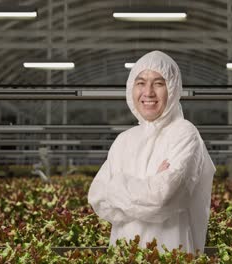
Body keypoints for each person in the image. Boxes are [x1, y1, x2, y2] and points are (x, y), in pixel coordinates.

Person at [88, 50, 215, 254]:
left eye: (158, 83)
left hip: (170, 253)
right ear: (131, 87)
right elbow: (98, 198)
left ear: (172, 88)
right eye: (140, 83)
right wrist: (150, 183)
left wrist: (118, 185)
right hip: (123, 254)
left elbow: (162, 198)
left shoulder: (185, 133)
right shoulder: (124, 140)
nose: (148, 92)